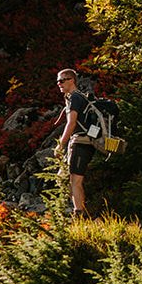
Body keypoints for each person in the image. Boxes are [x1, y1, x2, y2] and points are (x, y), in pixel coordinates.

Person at [54, 69, 96, 217]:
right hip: (84, 141)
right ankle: (80, 212)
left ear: (72, 80)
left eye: (62, 80)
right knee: (74, 180)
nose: (59, 84)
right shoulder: (77, 97)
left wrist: (61, 145)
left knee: (75, 181)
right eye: (57, 81)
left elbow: (71, 123)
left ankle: (79, 215)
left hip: (81, 142)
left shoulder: (75, 98)